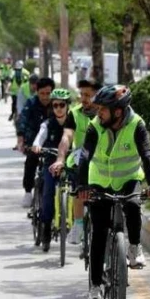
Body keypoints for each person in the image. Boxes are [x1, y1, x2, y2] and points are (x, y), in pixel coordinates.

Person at [78, 85, 150, 299]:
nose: (98, 113)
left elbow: (147, 154)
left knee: (133, 205)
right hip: (99, 181)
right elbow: (84, 157)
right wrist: (82, 185)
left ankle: (134, 248)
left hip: (128, 178)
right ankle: (95, 288)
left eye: (103, 110)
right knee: (99, 232)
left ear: (118, 111)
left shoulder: (137, 125)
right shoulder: (95, 126)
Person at [30, 88, 76, 251]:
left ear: (68, 106)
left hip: (71, 163)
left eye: (61, 105)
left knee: (80, 190)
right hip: (51, 164)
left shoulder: (75, 122)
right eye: (55, 105)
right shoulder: (47, 124)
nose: (58, 108)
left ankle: (79, 223)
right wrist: (36, 146)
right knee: (48, 192)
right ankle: (46, 230)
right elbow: (39, 137)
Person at [55, 80, 99, 244]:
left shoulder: (104, 113)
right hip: (80, 155)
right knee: (77, 184)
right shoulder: (74, 113)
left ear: (97, 95)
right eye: (81, 94)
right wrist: (60, 159)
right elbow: (66, 137)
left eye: (87, 95)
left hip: (101, 157)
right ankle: (78, 224)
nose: (83, 98)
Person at [16, 76, 54, 208]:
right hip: (33, 141)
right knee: (31, 162)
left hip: (51, 142)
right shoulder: (31, 103)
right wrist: (21, 139)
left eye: (48, 93)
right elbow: (23, 120)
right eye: (42, 93)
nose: (45, 97)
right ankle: (27, 192)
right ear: (37, 92)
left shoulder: (57, 104)